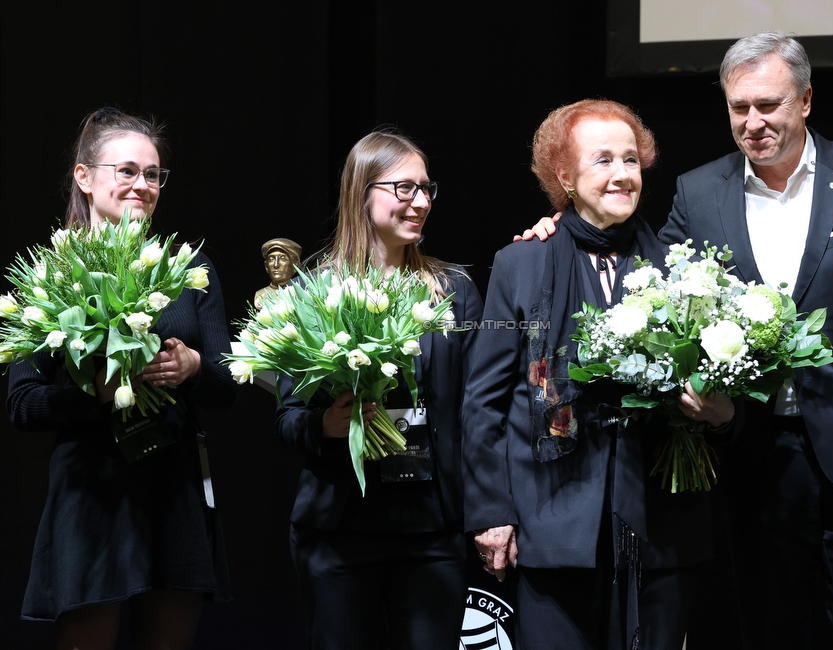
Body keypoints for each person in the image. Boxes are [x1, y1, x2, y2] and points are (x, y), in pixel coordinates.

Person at [652, 32, 833, 649]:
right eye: (739, 108)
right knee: (770, 628)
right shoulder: (697, 192)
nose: (753, 122)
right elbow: (650, 292)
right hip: (753, 450)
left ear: (805, 100)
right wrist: (557, 221)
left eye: (769, 105)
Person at [462, 99, 735, 650]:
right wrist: (492, 513)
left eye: (630, 160)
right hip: (551, 522)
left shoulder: (680, 269)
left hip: (662, 526)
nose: (621, 175)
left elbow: (723, 391)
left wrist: (721, 410)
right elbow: (482, 403)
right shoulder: (520, 264)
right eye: (602, 159)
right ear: (564, 174)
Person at [6, 107, 238, 648]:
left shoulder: (187, 266)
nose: (143, 185)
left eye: (153, 174)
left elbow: (228, 386)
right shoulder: (52, 272)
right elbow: (22, 402)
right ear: (84, 178)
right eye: (127, 171)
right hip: (92, 494)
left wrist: (194, 367)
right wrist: (98, 397)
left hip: (173, 488)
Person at [274, 129, 482, 650]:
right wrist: (324, 425)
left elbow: (478, 412)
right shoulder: (309, 290)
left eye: (427, 188)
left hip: (433, 529)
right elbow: (288, 416)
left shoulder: (455, 290)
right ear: (361, 193)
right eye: (405, 188)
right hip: (341, 531)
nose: (422, 201)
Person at [254, 237, 302, 308]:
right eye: (271, 259)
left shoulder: (304, 292)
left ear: (296, 265)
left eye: (282, 258)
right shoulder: (260, 295)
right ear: (266, 266)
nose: (276, 265)